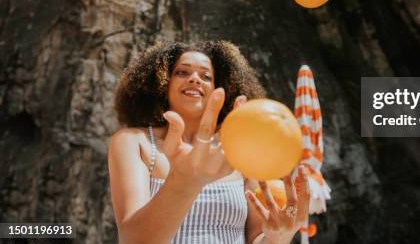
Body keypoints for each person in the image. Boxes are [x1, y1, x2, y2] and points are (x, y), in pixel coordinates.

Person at [107, 40, 310, 244]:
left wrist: (280, 236)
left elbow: (256, 239)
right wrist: (185, 180)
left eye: (206, 76)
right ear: (161, 83)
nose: (195, 79)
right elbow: (133, 240)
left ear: (219, 89)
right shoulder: (134, 142)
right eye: (182, 72)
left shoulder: (239, 149)